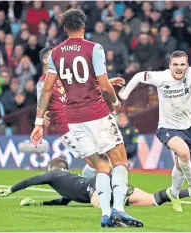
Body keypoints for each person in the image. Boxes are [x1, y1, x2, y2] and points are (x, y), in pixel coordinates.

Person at [30, 9, 142, 227]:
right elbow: (103, 86)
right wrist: (116, 102)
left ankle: (106, 214)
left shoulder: (55, 53)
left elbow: (46, 90)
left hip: (73, 119)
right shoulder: (94, 48)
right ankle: (119, 209)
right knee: (119, 161)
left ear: (64, 28)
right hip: (96, 113)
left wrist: (38, 122)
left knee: (101, 166)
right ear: (83, 25)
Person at [119, 41, 191, 211]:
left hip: (186, 127)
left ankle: (174, 193)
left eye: (182, 64)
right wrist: (125, 93)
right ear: (170, 66)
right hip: (166, 128)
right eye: (175, 64)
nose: (179, 68)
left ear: (187, 65)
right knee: (184, 153)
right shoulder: (161, 77)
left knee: (180, 162)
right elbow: (139, 76)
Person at [36, 47, 124, 179]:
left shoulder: (63, 75)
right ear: (45, 60)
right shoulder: (43, 82)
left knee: (101, 160)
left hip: (79, 121)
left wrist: (108, 82)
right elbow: (41, 102)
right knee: (96, 162)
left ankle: (88, 186)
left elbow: (84, 89)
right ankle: (92, 189)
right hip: (66, 128)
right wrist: (41, 118)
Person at [0, 157, 191, 209]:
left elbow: (33, 179)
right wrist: (38, 204)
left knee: (97, 203)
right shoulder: (67, 181)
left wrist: (10, 190)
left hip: (96, 185)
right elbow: (65, 201)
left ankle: (117, 215)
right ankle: (190, 191)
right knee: (152, 200)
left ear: (54, 169)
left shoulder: (55, 176)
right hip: (108, 184)